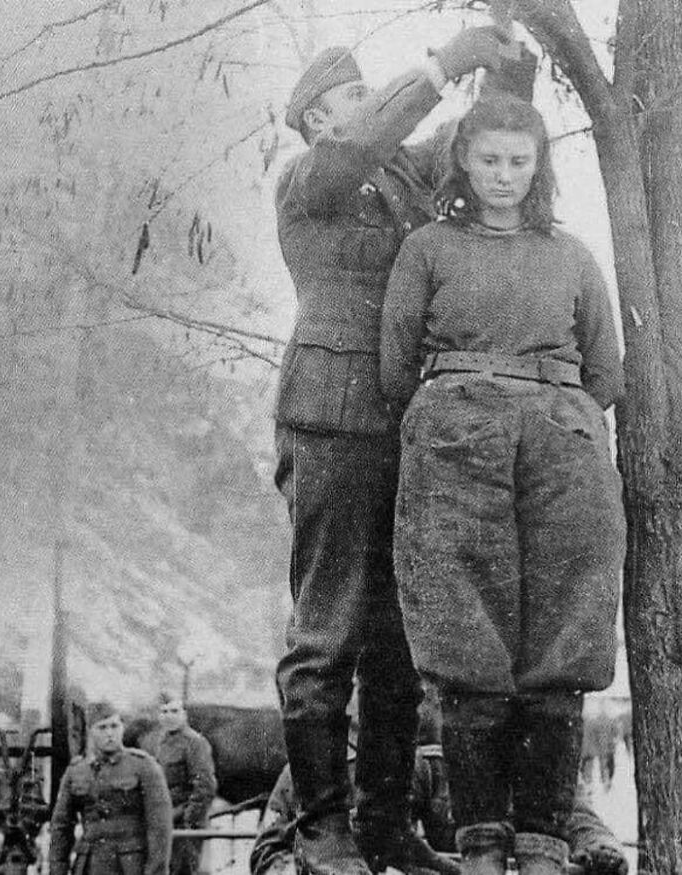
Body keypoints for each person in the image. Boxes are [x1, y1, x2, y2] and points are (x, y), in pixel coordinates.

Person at [273, 27, 537, 875]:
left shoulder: (396, 173)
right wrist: (438, 65)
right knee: (327, 633)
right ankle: (320, 829)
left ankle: (384, 823)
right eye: (353, 96)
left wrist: (509, 69)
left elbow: (475, 152)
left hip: (404, 424)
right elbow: (370, 138)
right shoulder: (307, 176)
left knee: (397, 639)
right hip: (330, 423)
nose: (368, 105)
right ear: (318, 116)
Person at [380, 94, 627, 875]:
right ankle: (481, 845)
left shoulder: (571, 254)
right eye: (489, 159)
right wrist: (462, 410)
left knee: (564, 637)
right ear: (463, 161)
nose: (504, 176)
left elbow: (606, 368)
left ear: (539, 166)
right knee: (467, 644)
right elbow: (395, 366)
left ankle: (548, 845)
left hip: (562, 447)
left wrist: (550, 413)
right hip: (455, 444)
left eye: (520, 160)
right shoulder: (427, 247)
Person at [249, 757, 628, 875]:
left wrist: (599, 845)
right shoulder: (316, 759)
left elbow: (577, 814)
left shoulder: (531, 751)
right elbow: (269, 849)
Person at [49, 701, 172, 875]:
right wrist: (57, 870)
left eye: (114, 726)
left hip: (131, 867)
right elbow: (61, 827)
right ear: (91, 731)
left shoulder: (144, 766)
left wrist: (155, 872)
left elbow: (160, 827)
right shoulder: (77, 771)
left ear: (122, 728)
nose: (110, 734)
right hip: (89, 866)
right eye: (102, 728)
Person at [155, 695, 217, 875]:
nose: (169, 716)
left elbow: (205, 787)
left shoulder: (195, 743)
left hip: (185, 825)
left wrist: (190, 822)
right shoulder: (162, 742)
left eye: (174, 711)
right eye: (164, 712)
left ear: (185, 714)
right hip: (166, 821)